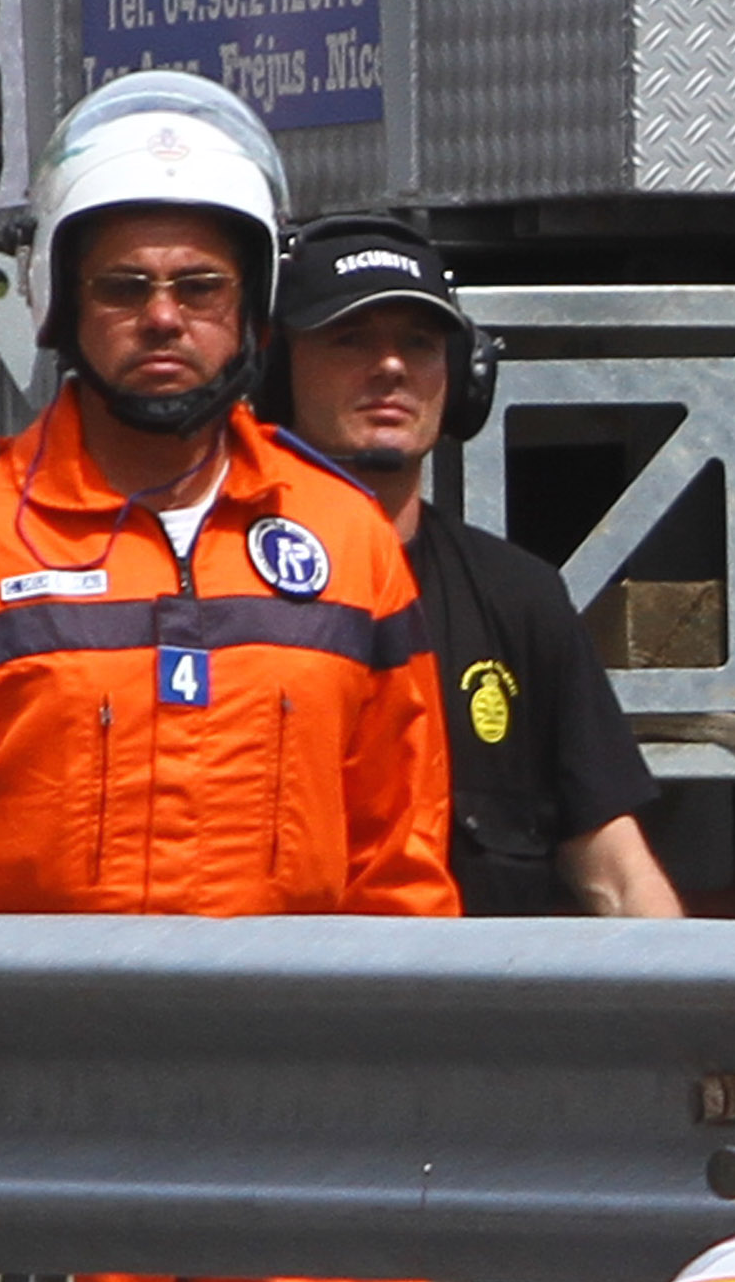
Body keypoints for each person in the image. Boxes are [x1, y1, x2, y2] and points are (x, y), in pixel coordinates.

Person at [0, 70, 456, 1282]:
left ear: (248, 313)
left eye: (200, 290)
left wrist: (400, 1106)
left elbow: (402, 866)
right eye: (124, 290)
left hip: (295, 1120)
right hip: (25, 1119)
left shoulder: (351, 547)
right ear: (62, 306)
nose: (162, 321)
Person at [264, 212, 681, 918]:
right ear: (274, 371)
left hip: (477, 1025)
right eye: (350, 338)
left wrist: (690, 1016)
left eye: (419, 343)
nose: (391, 366)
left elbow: (615, 867)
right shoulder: (224, 588)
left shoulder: (520, 598)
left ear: (463, 379)